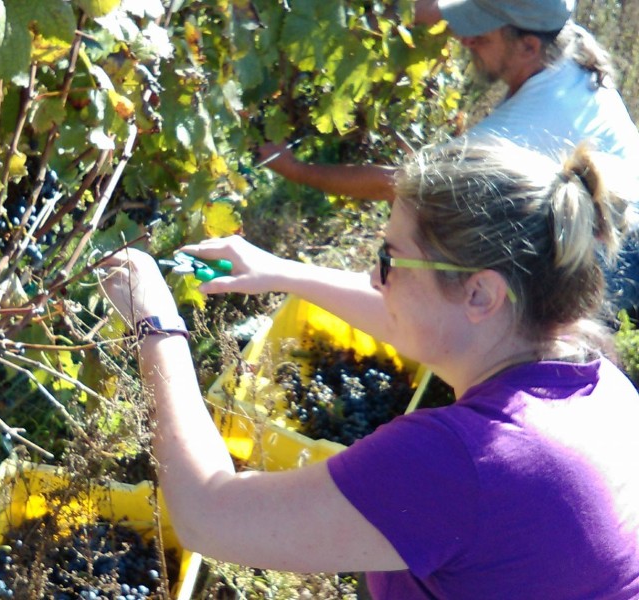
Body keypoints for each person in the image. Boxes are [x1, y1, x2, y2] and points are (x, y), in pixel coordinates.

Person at [100, 138, 639, 599]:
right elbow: (418, 320)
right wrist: (279, 271)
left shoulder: (459, 464)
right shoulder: (602, 387)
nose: (376, 279)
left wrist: (156, 327)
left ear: (481, 292)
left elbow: (208, 515)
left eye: (389, 260)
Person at [257, 0, 639, 314]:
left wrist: (296, 169)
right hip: (618, 212)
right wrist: (369, 13)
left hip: (617, 254)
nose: (467, 39)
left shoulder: (519, 129)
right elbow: (435, 11)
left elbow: (401, 183)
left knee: (510, 300)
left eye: (482, 34)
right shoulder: (563, 37)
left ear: (527, 47)